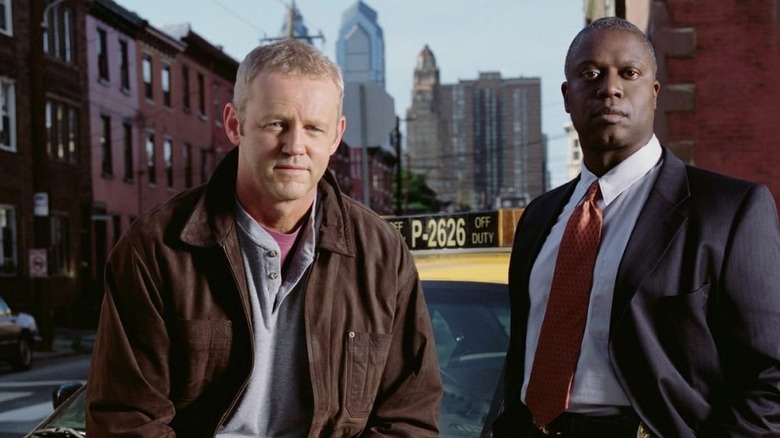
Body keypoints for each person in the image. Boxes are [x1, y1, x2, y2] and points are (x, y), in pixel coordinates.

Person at [86, 39, 442, 437]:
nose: (295, 146)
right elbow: (127, 421)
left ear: (336, 136)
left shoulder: (382, 255)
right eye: (276, 124)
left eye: (313, 128)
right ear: (234, 124)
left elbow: (409, 418)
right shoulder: (156, 250)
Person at [493, 16, 780, 438]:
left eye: (629, 73)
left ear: (654, 93)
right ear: (567, 96)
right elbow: (519, 358)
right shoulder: (539, 218)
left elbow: (770, 376)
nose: (609, 87)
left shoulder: (727, 210)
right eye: (590, 74)